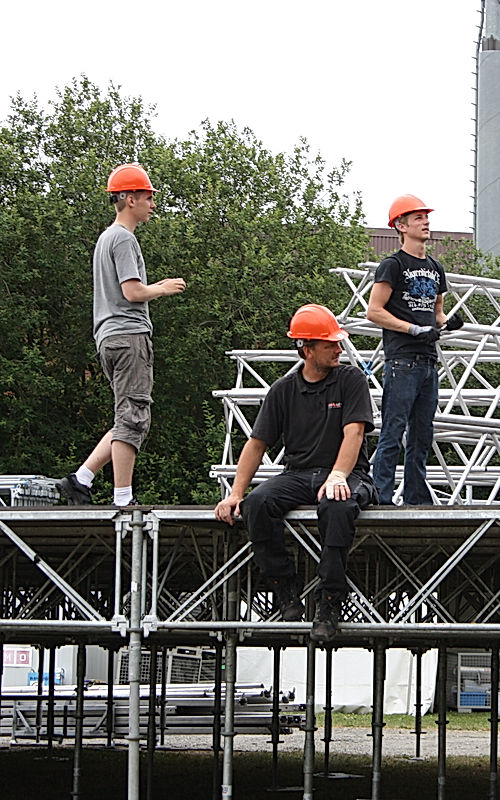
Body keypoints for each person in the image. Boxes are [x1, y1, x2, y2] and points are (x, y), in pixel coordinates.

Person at [214, 304, 376, 642]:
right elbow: (256, 445)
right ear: (306, 348)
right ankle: (284, 589)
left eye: (337, 342)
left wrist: (338, 476)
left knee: (338, 505)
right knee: (257, 503)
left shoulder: (350, 379)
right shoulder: (283, 391)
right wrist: (235, 494)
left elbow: (355, 433)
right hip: (300, 474)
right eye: (329, 343)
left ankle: (330, 599)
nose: (338, 348)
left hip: (348, 473)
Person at [56, 164, 187, 507]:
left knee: (124, 415)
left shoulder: (105, 238)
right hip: (129, 336)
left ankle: (80, 479)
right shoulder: (124, 239)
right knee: (134, 417)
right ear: (130, 199)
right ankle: (122, 500)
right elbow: (132, 292)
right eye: (147, 197)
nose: (152, 204)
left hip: (108, 338)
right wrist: (162, 288)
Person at [366, 194, 454, 506]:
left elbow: (437, 312)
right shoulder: (393, 265)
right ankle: (382, 496)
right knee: (394, 428)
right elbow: (374, 311)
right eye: (418, 218)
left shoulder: (434, 267)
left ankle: (417, 498)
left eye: (425, 217)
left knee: (422, 434)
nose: (426, 222)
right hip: (403, 359)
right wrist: (413, 329)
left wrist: (446, 323)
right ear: (401, 226)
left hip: (428, 361)